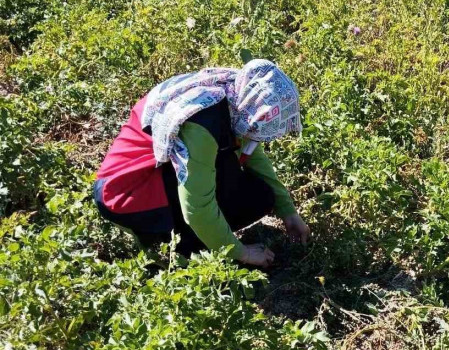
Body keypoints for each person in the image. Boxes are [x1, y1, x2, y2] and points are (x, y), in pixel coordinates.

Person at [93, 59, 309, 268]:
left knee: (260, 195)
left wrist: (288, 211)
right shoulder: (202, 123)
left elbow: (252, 151)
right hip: (125, 194)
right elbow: (197, 208)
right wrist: (241, 253)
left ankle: (202, 238)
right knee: (228, 189)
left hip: (153, 176)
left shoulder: (237, 96)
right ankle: (180, 249)